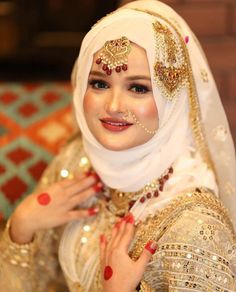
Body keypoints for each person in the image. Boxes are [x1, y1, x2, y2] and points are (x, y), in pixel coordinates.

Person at [1, 0, 236, 291]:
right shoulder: (78, 163)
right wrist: (22, 226)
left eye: (138, 88)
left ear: (171, 100)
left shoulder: (196, 225)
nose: (113, 106)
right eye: (99, 83)